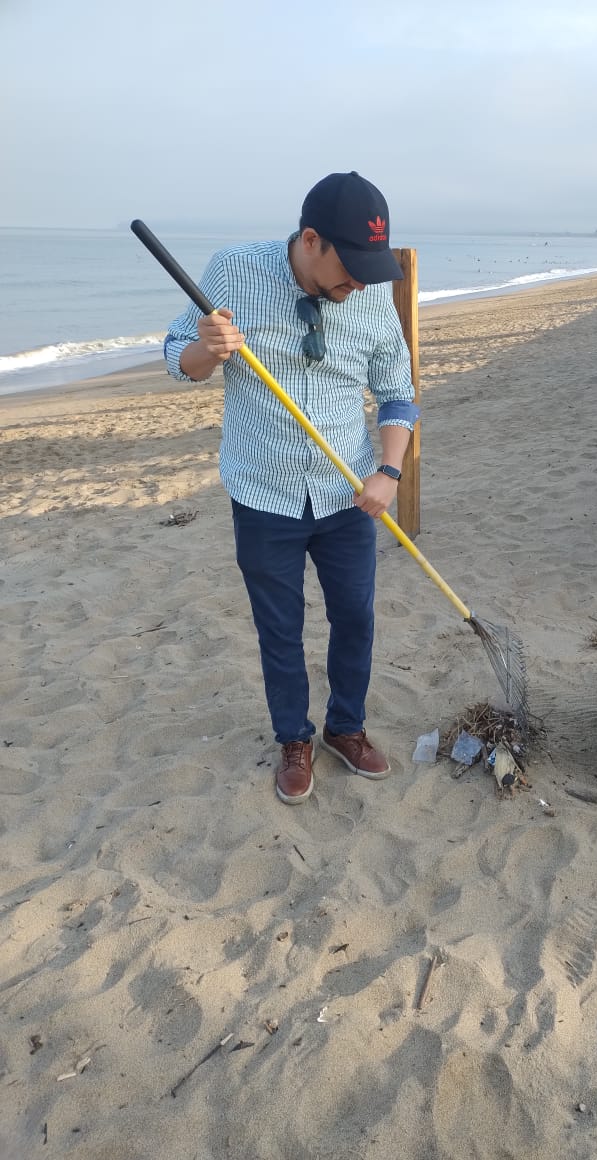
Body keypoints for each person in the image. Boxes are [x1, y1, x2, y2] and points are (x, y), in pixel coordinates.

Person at [163, 171, 419, 805]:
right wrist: (207, 349)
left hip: (346, 492)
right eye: (350, 266)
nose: (358, 282)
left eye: (370, 267)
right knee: (279, 627)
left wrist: (388, 472)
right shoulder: (233, 271)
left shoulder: (367, 294)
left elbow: (398, 392)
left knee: (354, 616)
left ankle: (346, 728)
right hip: (263, 491)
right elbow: (174, 357)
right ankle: (293, 740)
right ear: (311, 240)